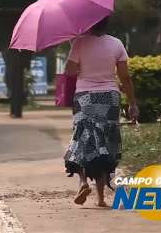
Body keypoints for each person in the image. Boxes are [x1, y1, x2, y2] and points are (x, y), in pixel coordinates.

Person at [63, 16, 139, 208]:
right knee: (104, 142)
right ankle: (101, 199)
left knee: (83, 138)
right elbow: (125, 77)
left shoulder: (79, 42)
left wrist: (75, 51)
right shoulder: (116, 44)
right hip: (109, 97)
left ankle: (82, 182)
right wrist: (132, 103)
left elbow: (70, 72)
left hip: (85, 96)